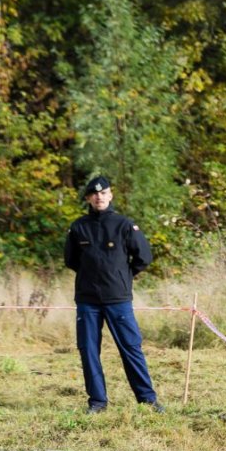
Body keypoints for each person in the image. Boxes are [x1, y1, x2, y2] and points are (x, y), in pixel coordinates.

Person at [64, 175, 164, 414]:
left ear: (110, 195)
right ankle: (97, 403)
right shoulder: (78, 227)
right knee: (88, 350)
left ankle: (147, 400)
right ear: (88, 198)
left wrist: (122, 277)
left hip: (118, 299)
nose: (99, 197)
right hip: (87, 300)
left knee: (131, 347)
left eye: (103, 193)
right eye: (94, 194)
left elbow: (143, 257)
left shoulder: (124, 224)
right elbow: (71, 260)